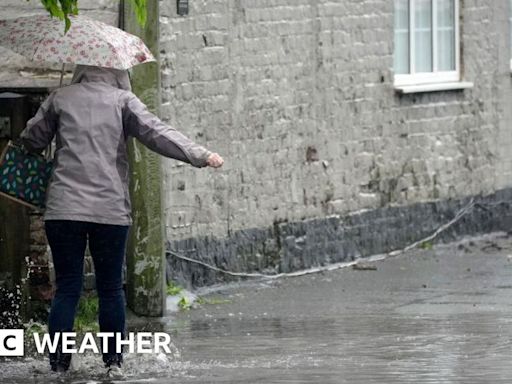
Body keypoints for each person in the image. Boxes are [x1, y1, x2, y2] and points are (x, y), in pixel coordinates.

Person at [19, 64, 224, 377]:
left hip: (63, 210)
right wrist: (200, 155)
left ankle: (57, 367)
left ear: (80, 69)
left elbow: (31, 140)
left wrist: (50, 111)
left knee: (67, 288)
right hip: (109, 211)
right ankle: (113, 365)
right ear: (117, 71)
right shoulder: (123, 101)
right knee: (111, 289)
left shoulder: (60, 98)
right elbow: (158, 133)